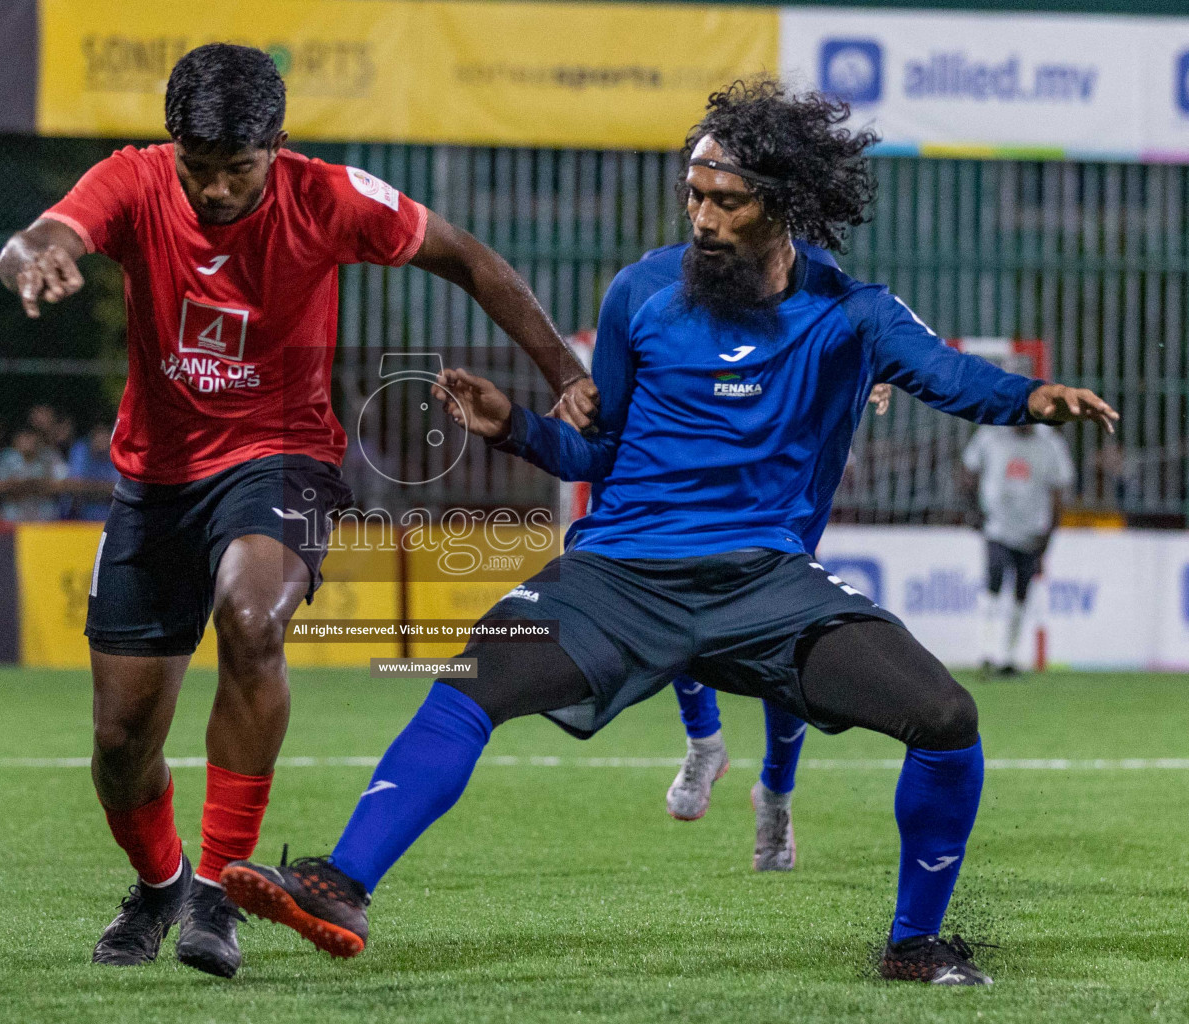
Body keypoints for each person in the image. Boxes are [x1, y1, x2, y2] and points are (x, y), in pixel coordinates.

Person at [220, 79, 1118, 987]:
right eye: (694, 195)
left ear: (786, 205)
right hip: (618, 578)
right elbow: (600, 452)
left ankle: (914, 942)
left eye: (727, 201)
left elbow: (947, 374)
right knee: (468, 680)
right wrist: (521, 428)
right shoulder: (640, 294)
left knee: (947, 719)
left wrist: (1029, 399)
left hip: (767, 587)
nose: (702, 217)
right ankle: (339, 881)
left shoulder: (852, 313)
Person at [0, 43, 597, 977]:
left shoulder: (332, 197)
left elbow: (468, 259)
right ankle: (159, 887)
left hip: (284, 458)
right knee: (119, 744)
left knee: (251, 613)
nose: (219, 190)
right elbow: (43, 236)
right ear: (173, 147)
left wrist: (565, 373)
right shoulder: (134, 180)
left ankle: (215, 892)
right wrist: (34, 258)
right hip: (155, 479)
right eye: (201, 170)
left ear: (278, 144)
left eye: (239, 169)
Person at [664, 381, 893, 873]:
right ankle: (705, 742)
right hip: (715, 484)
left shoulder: (822, 325)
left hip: (789, 506)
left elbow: (881, 323)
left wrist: (877, 361)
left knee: (788, 653)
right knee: (677, 604)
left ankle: (776, 795)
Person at [962, 423, 1074, 675]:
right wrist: (972, 509)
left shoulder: (1050, 443)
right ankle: (987, 652)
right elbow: (969, 470)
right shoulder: (990, 434)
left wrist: (1051, 531)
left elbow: (1058, 488)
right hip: (997, 526)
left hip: (1032, 530)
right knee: (995, 579)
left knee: (1022, 592)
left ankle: (1009, 657)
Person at [0, 426, 65, 521]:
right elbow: (0, 487)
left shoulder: (50, 456)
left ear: (38, 439)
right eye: (23, 437)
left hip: (44, 519)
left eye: (30, 436)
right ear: (15, 440)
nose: (27, 441)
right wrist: (36, 485)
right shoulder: (6, 458)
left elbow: (62, 485)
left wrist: (22, 485)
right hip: (13, 519)